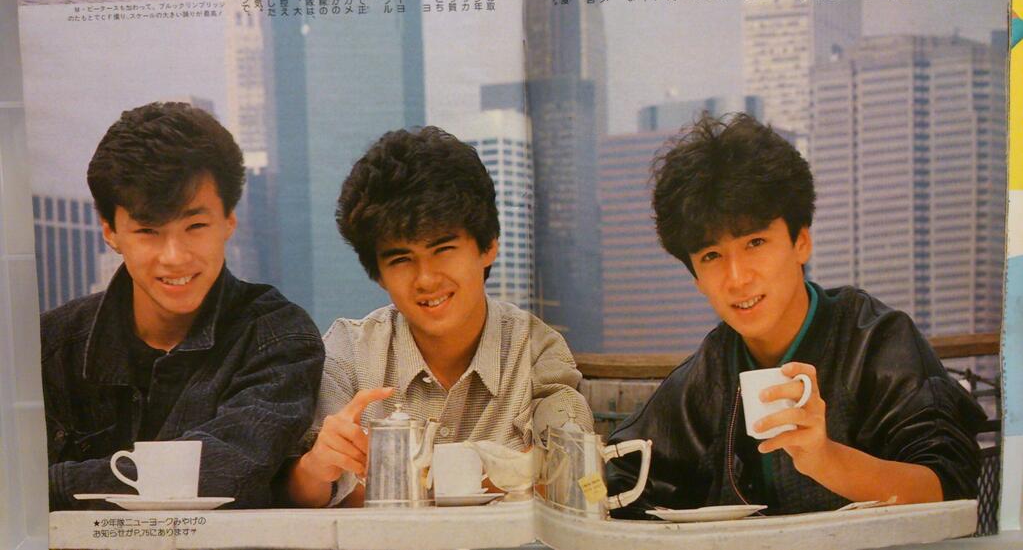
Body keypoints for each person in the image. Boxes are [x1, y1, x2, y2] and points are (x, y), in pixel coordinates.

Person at [606, 113, 984, 517]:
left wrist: (825, 459)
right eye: (712, 256)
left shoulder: (877, 341)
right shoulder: (707, 371)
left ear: (801, 242)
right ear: (696, 277)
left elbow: (949, 487)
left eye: (755, 242)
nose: (737, 278)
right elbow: (619, 473)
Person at [285, 126, 593, 507]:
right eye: (401, 259)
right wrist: (315, 469)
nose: (426, 279)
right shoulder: (348, 351)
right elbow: (305, 494)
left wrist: (399, 484)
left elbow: (569, 465)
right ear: (378, 274)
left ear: (488, 246)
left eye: (443, 249)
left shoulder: (536, 350)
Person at [41, 102, 325, 510]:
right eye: (148, 231)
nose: (174, 257)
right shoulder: (49, 347)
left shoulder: (278, 338)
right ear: (110, 232)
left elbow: (221, 473)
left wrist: (45, 485)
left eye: (195, 226)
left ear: (229, 221)